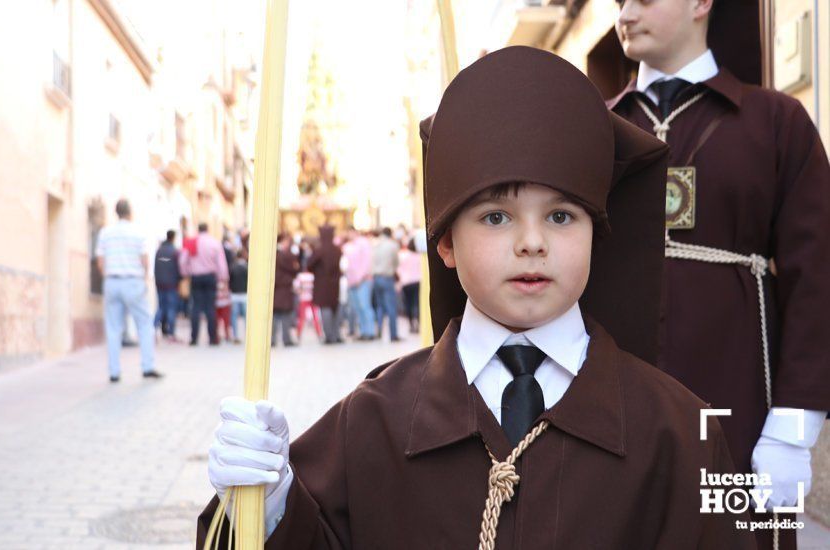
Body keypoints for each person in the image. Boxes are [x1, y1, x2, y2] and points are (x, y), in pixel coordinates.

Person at [198, 47, 753, 548]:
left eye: (561, 216)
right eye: (496, 217)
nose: (532, 242)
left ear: (596, 235)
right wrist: (268, 509)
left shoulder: (679, 431)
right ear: (445, 244)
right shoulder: (373, 421)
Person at [611, 2, 830, 547]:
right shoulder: (597, 128)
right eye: (617, 2)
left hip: (743, 402)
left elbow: (819, 275)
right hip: (617, 407)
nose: (626, 11)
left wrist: (794, 429)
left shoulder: (775, 120)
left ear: (700, 3)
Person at [95, 199, 162, 382]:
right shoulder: (137, 232)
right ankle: (147, 367)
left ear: (116, 212)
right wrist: (145, 280)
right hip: (133, 281)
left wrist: (109, 276)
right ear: (130, 212)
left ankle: (114, 372)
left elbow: (100, 262)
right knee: (144, 323)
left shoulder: (105, 233)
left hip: (112, 281)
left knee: (113, 327)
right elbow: (145, 260)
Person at [179, 223, 229, 346]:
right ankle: (212, 338)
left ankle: (194, 338)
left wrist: (186, 273)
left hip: (196, 277)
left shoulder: (192, 242)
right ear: (208, 229)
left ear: (198, 229)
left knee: (195, 308)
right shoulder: (214, 242)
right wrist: (223, 278)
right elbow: (221, 263)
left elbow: (182, 260)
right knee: (210, 308)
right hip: (210, 277)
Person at [307, 225, 343, 344]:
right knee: (335, 309)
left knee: (325, 310)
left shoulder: (320, 250)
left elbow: (309, 264)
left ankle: (329, 336)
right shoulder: (337, 250)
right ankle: (336, 334)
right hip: (335, 284)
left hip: (322, 284)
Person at [342, 227, 376, 341]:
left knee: (365, 306)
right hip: (352, 281)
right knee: (357, 308)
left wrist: (360, 277)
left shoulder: (363, 243)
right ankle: (363, 331)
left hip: (363, 280)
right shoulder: (348, 246)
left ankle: (370, 331)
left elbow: (367, 262)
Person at [371, 226, 401, 342]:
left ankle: (378, 331)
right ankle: (393, 335)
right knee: (391, 307)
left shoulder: (375, 244)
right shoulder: (392, 245)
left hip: (376, 277)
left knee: (379, 306)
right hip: (387, 277)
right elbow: (396, 262)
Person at [272, 233, 299, 347]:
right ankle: (283, 339)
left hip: (280, 288)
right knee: (281, 316)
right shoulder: (285, 256)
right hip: (282, 287)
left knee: (281, 315)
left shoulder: (276, 255)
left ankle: (276, 339)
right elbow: (294, 268)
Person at [154, 230, 181, 340]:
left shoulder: (159, 251)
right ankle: (171, 332)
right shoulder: (174, 251)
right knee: (171, 308)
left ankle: (154, 328)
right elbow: (178, 268)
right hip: (171, 284)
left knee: (161, 307)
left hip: (160, 283)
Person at [397, 237, 421, 334]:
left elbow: (398, 269)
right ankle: (418, 323)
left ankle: (411, 324)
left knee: (408, 304)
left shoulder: (403, 255)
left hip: (406, 282)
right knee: (417, 303)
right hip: (417, 281)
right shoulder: (419, 256)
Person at [228, 248, 248, 343]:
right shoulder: (247, 267)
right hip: (244, 294)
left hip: (235, 294)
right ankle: (248, 334)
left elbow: (230, 280)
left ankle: (235, 335)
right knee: (246, 316)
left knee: (234, 316)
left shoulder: (233, 267)